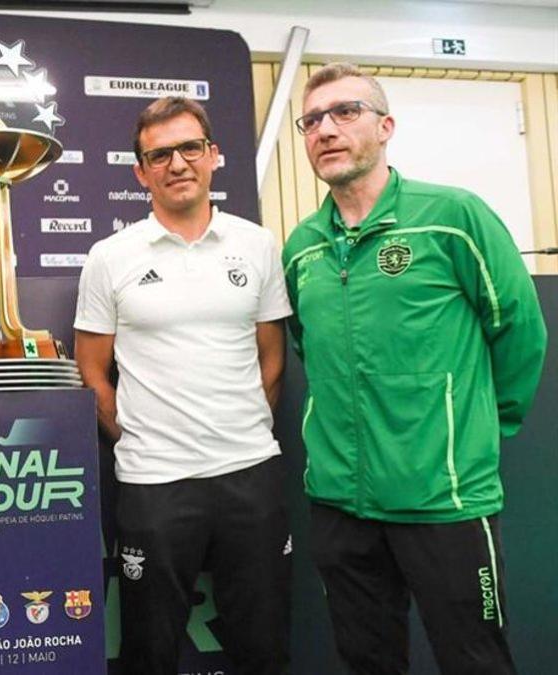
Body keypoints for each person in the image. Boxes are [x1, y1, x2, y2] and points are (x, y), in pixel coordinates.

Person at [283, 62, 547, 674]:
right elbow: (308, 345)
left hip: (444, 500)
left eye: (345, 112)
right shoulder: (302, 246)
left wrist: (474, 431)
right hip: (340, 504)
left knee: (476, 661)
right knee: (368, 663)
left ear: (386, 126)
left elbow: (518, 331)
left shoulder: (454, 216)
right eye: (312, 119)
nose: (325, 129)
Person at [74, 97, 292, 675]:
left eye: (190, 148)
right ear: (141, 171)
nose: (177, 163)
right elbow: (91, 370)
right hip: (154, 483)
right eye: (160, 154)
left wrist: (238, 427)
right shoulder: (109, 257)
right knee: (149, 652)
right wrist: (139, 437)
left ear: (213, 155)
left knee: (264, 647)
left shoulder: (258, 245)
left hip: (251, 473)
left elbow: (272, 361)